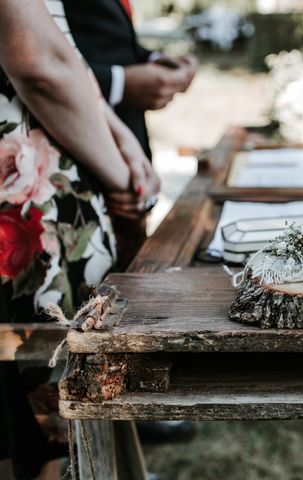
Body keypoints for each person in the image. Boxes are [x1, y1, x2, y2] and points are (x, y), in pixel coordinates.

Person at [0, 0, 160, 478]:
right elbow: (36, 62)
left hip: (43, 186)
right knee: (48, 417)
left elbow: (59, 48)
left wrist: (119, 137)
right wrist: (117, 174)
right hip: (26, 205)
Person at [63, 0, 197, 268]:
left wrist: (156, 61)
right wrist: (119, 84)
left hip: (125, 139)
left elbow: (103, 38)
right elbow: (42, 60)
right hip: (79, 148)